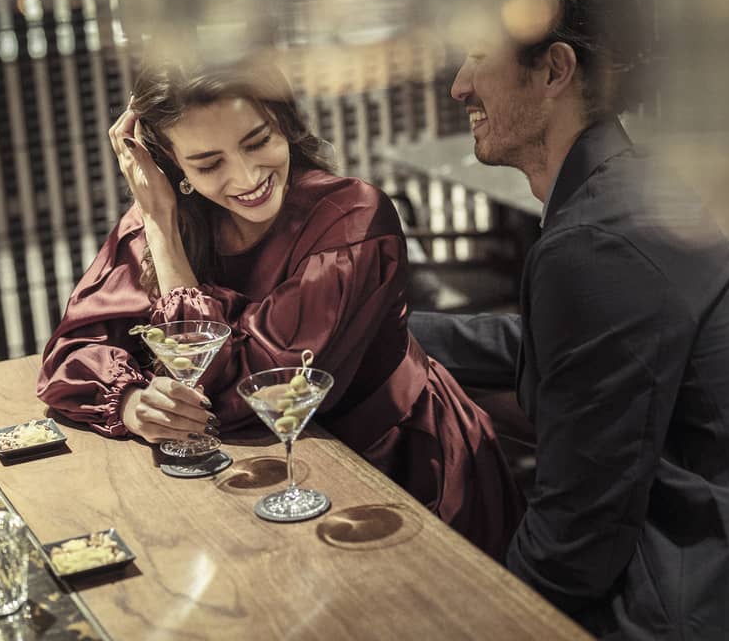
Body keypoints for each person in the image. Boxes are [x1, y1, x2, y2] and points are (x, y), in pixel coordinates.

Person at [410, 0, 729, 641]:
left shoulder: (599, 240)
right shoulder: (617, 192)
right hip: (724, 620)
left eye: (477, 57)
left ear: (555, 70)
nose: (459, 86)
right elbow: (567, 351)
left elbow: (574, 542)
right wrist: (396, 331)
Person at [37, 56, 524, 558]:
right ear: (168, 161)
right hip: (254, 486)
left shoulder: (352, 218)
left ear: (284, 124)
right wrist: (133, 404)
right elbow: (74, 347)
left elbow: (255, 396)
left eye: (258, 142)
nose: (246, 177)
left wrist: (164, 236)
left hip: (398, 475)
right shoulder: (160, 217)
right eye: (208, 164)